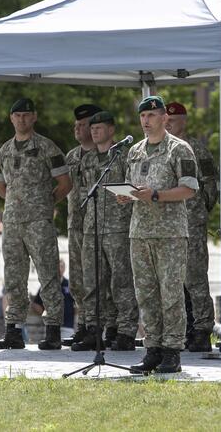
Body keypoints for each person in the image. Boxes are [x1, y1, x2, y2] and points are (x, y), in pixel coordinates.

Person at [118, 95, 199, 374]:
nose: (146, 121)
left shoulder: (180, 149)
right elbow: (135, 185)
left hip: (170, 234)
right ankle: (152, 349)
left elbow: (189, 189)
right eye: (142, 116)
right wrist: (127, 196)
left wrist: (155, 195)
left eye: (151, 116)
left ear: (165, 118)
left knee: (171, 293)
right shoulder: (135, 151)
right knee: (146, 294)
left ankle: (172, 351)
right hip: (139, 232)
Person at [0, 98, 71, 350]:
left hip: (39, 222)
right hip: (12, 222)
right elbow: (1, 187)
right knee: (13, 274)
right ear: (11, 118)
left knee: (47, 273)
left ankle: (54, 329)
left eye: (26, 115)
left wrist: (46, 203)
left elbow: (65, 183)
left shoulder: (47, 147)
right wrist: (18, 203)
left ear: (34, 117)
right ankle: (13, 330)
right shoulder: (4, 150)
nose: (22, 119)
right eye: (17, 115)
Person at [71, 110, 138, 352]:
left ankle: (126, 330)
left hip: (118, 228)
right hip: (92, 228)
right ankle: (94, 329)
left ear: (111, 130)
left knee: (121, 282)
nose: (94, 130)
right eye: (93, 127)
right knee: (93, 282)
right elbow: (80, 193)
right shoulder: (87, 159)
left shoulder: (123, 157)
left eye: (100, 127)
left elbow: (134, 190)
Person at [165, 102, 218, 352]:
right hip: (164, 224)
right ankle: (176, 328)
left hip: (191, 222)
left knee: (195, 278)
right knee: (170, 279)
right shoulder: (159, 150)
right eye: (166, 119)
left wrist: (198, 211)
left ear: (184, 121)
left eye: (173, 120)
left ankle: (202, 328)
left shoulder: (197, 149)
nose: (168, 124)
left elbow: (210, 186)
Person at [62, 103, 100, 347]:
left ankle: (99, 327)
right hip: (74, 224)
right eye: (75, 125)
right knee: (76, 279)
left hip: (97, 226)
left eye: (82, 125)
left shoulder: (106, 154)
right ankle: (84, 325)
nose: (77, 129)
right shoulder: (72, 156)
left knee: (94, 278)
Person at [31, 259, 75, 339]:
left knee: (67, 350)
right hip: (50, 327)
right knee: (51, 349)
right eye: (58, 266)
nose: (59, 269)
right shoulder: (48, 285)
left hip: (67, 327)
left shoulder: (69, 285)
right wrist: (46, 314)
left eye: (61, 266)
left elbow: (77, 303)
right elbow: (36, 304)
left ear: (64, 268)